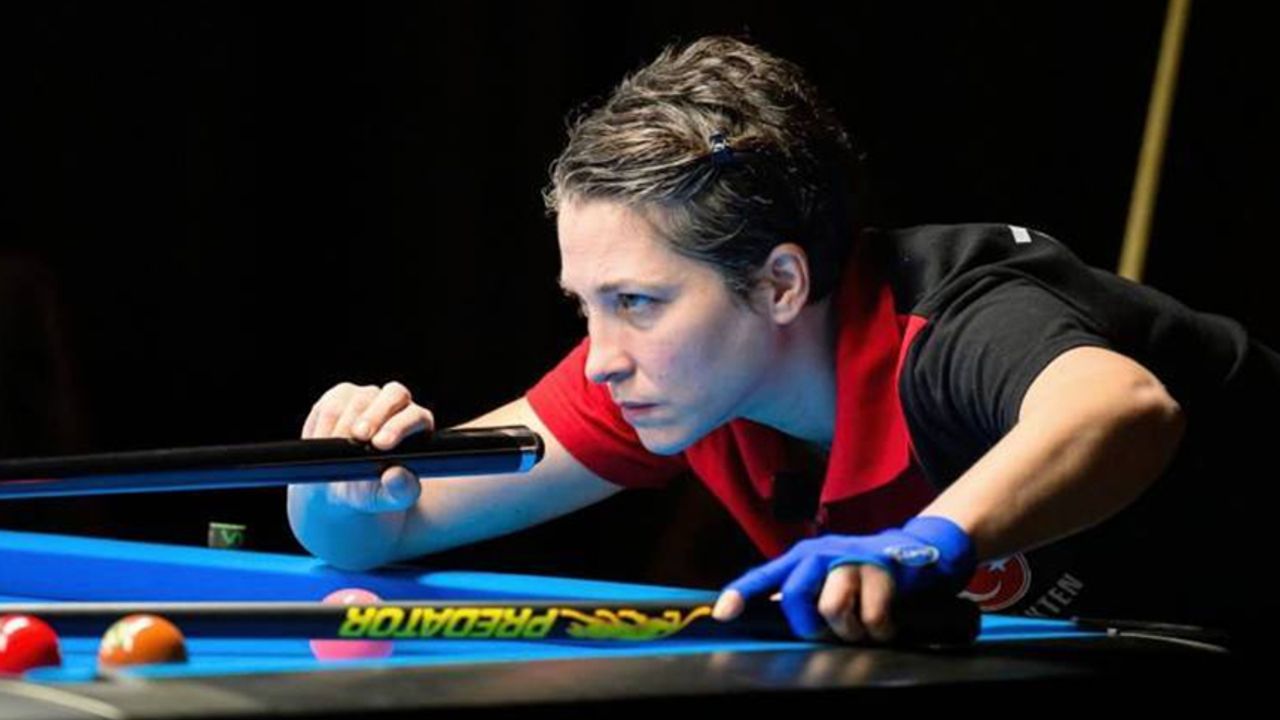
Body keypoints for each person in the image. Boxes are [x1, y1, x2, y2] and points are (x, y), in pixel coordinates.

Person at [288, 35, 1279, 645]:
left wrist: (922, 542)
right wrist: (340, 490)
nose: (599, 356)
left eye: (635, 301)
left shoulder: (956, 319)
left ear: (778, 284)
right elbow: (393, 530)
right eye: (586, 306)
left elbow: (1124, 409)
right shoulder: (670, 375)